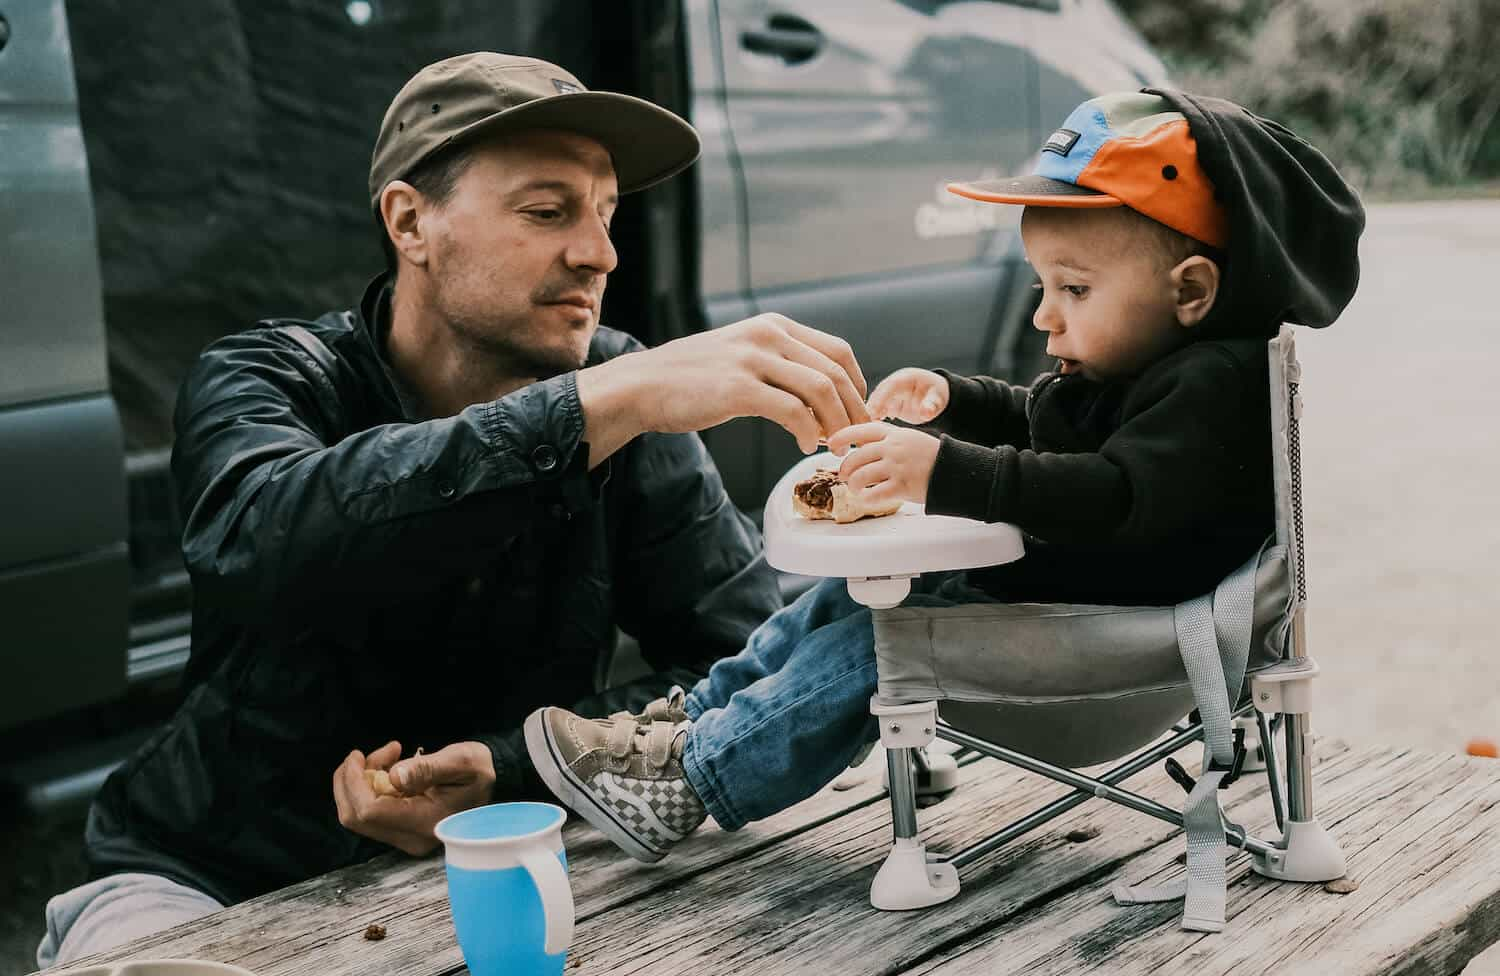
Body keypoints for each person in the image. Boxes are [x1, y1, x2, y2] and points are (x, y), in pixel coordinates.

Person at [38, 51, 875, 969]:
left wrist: (514, 765)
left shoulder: (619, 389)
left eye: (605, 213)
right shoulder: (265, 377)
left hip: (510, 861)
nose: (599, 252)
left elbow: (740, 663)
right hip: (205, 879)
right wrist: (596, 406)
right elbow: (268, 540)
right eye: (547, 211)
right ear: (410, 222)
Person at [524, 89, 1365, 863]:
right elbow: (1045, 423)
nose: (1044, 314)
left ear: (1191, 290)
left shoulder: (1209, 384)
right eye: (1043, 284)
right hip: (1072, 597)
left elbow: (1114, 495)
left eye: (1073, 288)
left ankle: (693, 781)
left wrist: (946, 471)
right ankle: (690, 725)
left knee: (877, 638)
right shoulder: (1141, 366)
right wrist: (957, 400)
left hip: (1130, 636)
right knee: (845, 597)